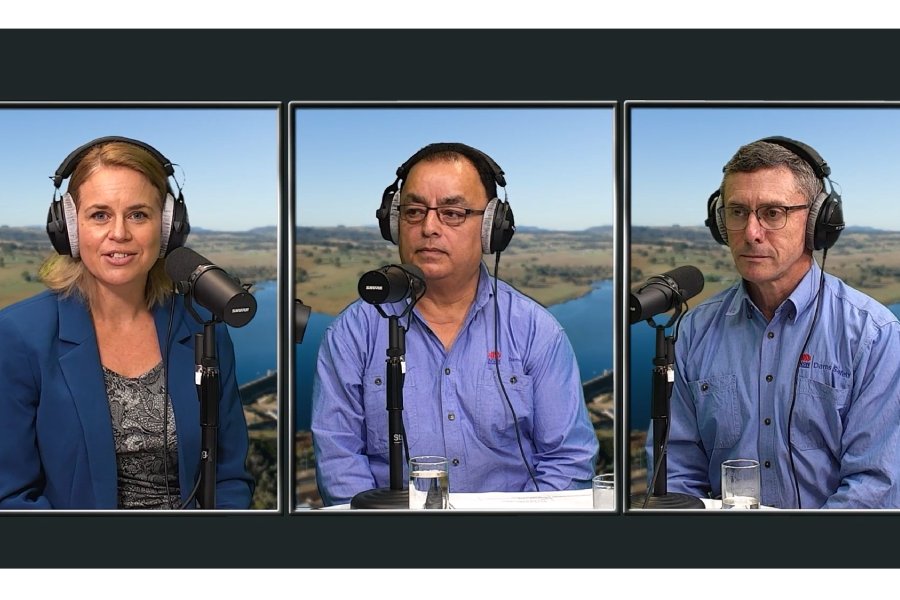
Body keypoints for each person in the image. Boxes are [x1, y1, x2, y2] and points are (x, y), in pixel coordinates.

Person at [311, 142, 598, 506]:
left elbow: (567, 460)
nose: (429, 227)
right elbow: (340, 462)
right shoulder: (352, 334)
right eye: (414, 211)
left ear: (492, 227)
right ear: (394, 222)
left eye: (453, 212)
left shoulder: (536, 331)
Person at [0, 136, 254, 509]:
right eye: (99, 215)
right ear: (69, 228)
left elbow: (230, 476)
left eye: (138, 214)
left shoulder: (202, 327)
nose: (119, 233)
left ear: (168, 228)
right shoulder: (20, 335)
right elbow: (10, 497)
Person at [660, 135, 900, 508]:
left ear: (819, 222)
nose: (751, 232)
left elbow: (873, 487)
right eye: (737, 212)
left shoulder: (875, 336)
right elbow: (676, 471)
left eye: (773, 213)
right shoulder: (693, 331)